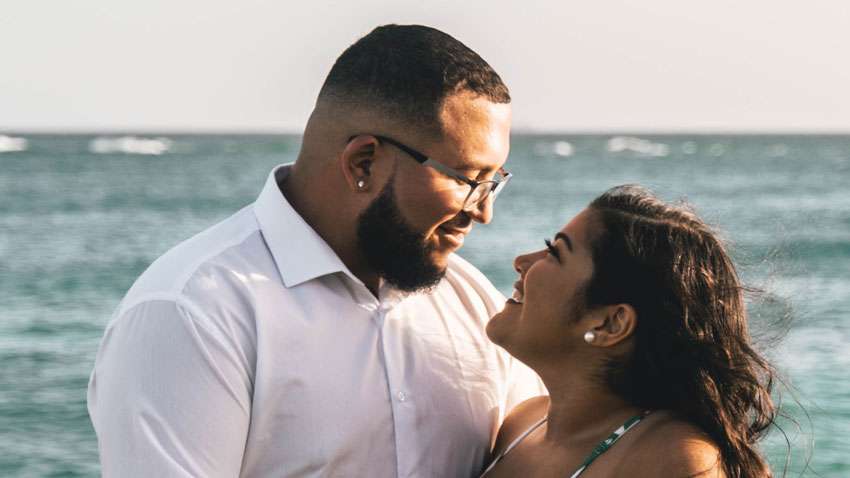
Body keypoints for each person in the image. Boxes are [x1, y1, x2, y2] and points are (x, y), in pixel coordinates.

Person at [87, 25, 544, 477]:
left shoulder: (473, 301)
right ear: (363, 162)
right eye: (467, 179)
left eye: (494, 182)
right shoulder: (192, 312)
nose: (482, 212)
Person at [482, 185, 778, 478]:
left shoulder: (677, 461)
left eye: (554, 253)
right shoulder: (521, 423)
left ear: (610, 324)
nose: (521, 262)